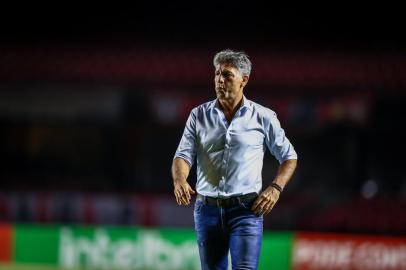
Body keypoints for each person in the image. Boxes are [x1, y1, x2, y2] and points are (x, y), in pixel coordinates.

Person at [171, 49, 298, 270]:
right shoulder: (198, 115)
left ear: (244, 80)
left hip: (246, 210)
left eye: (227, 75)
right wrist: (180, 180)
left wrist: (276, 187)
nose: (220, 79)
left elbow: (289, 157)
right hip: (206, 209)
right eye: (217, 73)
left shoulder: (263, 116)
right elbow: (182, 155)